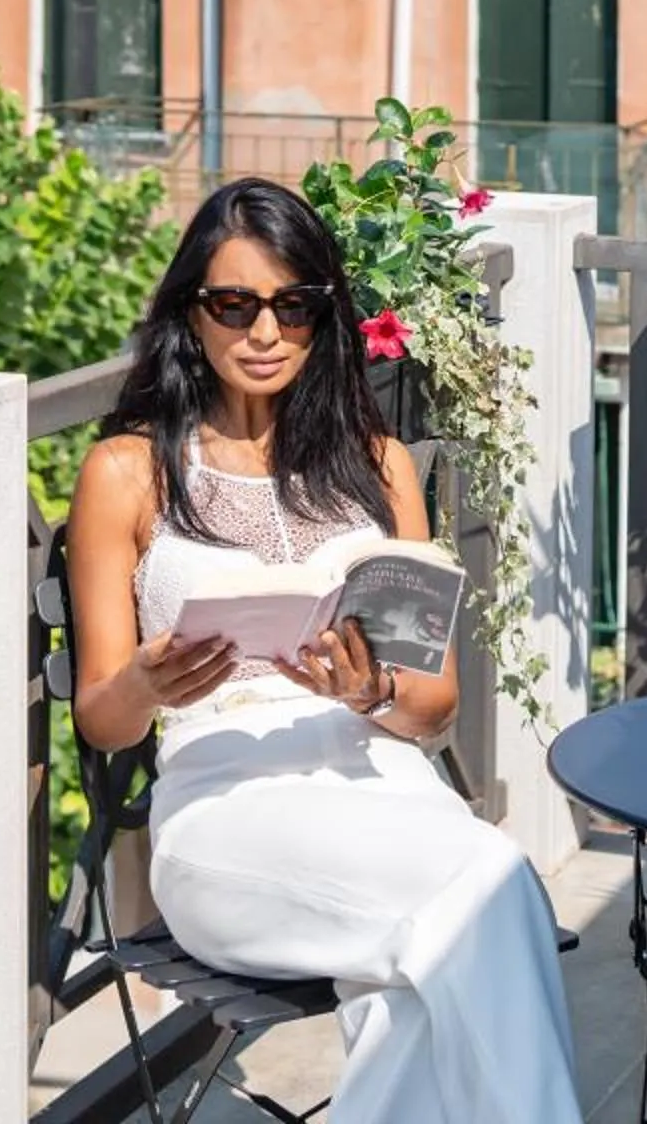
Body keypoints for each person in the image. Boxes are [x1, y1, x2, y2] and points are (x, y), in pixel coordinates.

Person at [66, 178, 582, 1123]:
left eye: (292, 305)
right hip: (225, 808)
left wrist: (368, 690)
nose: (264, 332)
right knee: (489, 890)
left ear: (323, 316)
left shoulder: (377, 465)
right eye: (234, 304)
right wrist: (146, 677)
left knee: (425, 964)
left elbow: (434, 711)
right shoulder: (127, 471)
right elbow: (101, 720)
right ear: (192, 312)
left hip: (377, 780)